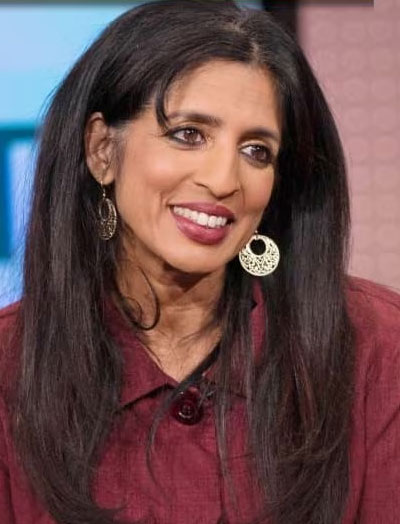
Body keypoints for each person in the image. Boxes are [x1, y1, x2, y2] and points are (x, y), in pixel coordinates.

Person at [0, 0, 399, 523]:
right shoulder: (11, 366)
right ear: (101, 150)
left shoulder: (376, 346)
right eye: (189, 134)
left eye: (256, 150)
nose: (223, 180)